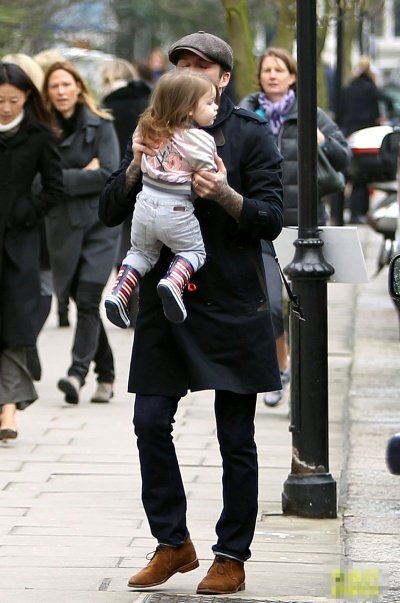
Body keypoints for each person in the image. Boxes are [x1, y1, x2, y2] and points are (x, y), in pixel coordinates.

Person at [99, 31, 283, 595]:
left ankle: (231, 555)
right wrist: (135, 166)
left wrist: (225, 193)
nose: (190, 74)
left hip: (231, 298)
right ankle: (172, 542)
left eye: (202, 67)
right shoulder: (151, 125)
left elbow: (271, 217)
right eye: (181, 66)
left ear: (223, 79)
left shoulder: (249, 133)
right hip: (167, 300)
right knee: (149, 421)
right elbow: (109, 208)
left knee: (236, 436)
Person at [240, 47, 351, 407]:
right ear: (259, 76)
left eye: (280, 70)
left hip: (304, 228)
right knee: (271, 307)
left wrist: (322, 141)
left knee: (304, 309)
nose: (272, 75)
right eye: (267, 70)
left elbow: (343, 157)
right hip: (262, 227)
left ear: (292, 77)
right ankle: (279, 367)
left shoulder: (310, 114)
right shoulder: (247, 114)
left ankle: (304, 381)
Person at [105, 69, 218, 328]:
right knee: (193, 251)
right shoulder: (200, 139)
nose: (215, 108)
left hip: (144, 205)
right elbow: (208, 174)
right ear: (189, 109)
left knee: (140, 253)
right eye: (209, 102)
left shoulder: (146, 129)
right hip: (177, 209)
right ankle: (173, 282)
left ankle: (120, 293)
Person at [42, 61, 120, 405]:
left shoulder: (101, 124)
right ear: (47, 93)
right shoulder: (40, 130)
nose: (61, 91)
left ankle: (76, 373)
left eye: (66, 84)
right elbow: (37, 182)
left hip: (99, 226)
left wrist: (63, 179)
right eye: (54, 86)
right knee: (80, 300)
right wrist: (82, 174)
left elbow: (109, 174)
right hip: (62, 227)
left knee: (88, 299)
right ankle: (107, 374)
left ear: (78, 87)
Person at [0, 62, 63, 440]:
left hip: (19, 244)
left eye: (13, 100)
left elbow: (55, 188)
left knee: (15, 326)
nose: (6, 108)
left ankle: (9, 411)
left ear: (26, 97)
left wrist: (26, 211)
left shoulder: (39, 135)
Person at [101, 58, 152, 328]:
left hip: (121, 180)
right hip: (152, 181)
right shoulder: (148, 102)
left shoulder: (106, 108)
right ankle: (141, 302)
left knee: (122, 245)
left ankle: (127, 299)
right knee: (144, 243)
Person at [340, 55, 394, 224]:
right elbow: (389, 101)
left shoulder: (348, 88)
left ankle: (343, 213)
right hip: (366, 134)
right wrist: (383, 117)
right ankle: (358, 212)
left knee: (347, 175)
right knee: (362, 176)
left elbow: (339, 110)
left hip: (348, 133)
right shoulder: (371, 88)